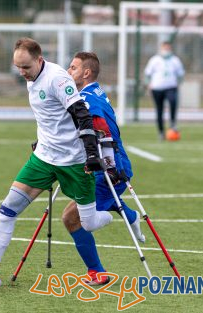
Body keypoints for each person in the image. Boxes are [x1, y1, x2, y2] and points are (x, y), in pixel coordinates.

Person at [0, 38, 112, 288]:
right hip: (43, 158)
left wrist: (91, 153)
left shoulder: (58, 79)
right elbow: (50, 116)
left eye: (26, 67)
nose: (22, 72)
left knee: (88, 223)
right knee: (7, 210)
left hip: (74, 162)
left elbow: (81, 114)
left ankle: (109, 214)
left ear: (39, 60)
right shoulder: (31, 77)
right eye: (17, 67)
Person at [64, 52, 145, 285]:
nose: (68, 72)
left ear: (86, 73)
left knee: (72, 218)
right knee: (83, 203)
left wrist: (108, 169)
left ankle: (97, 273)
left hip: (109, 167)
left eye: (73, 68)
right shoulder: (94, 91)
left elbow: (102, 131)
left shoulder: (88, 99)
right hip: (108, 163)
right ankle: (130, 215)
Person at [144, 41, 185, 140]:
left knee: (173, 103)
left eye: (168, 48)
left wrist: (178, 83)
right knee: (159, 109)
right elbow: (147, 73)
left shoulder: (175, 60)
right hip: (157, 88)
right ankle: (161, 132)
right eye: (164, 48)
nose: (166, 50)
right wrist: (148, 84)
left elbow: (181, 74)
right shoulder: (154, 60)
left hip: (171, 87)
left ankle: (172, 125)